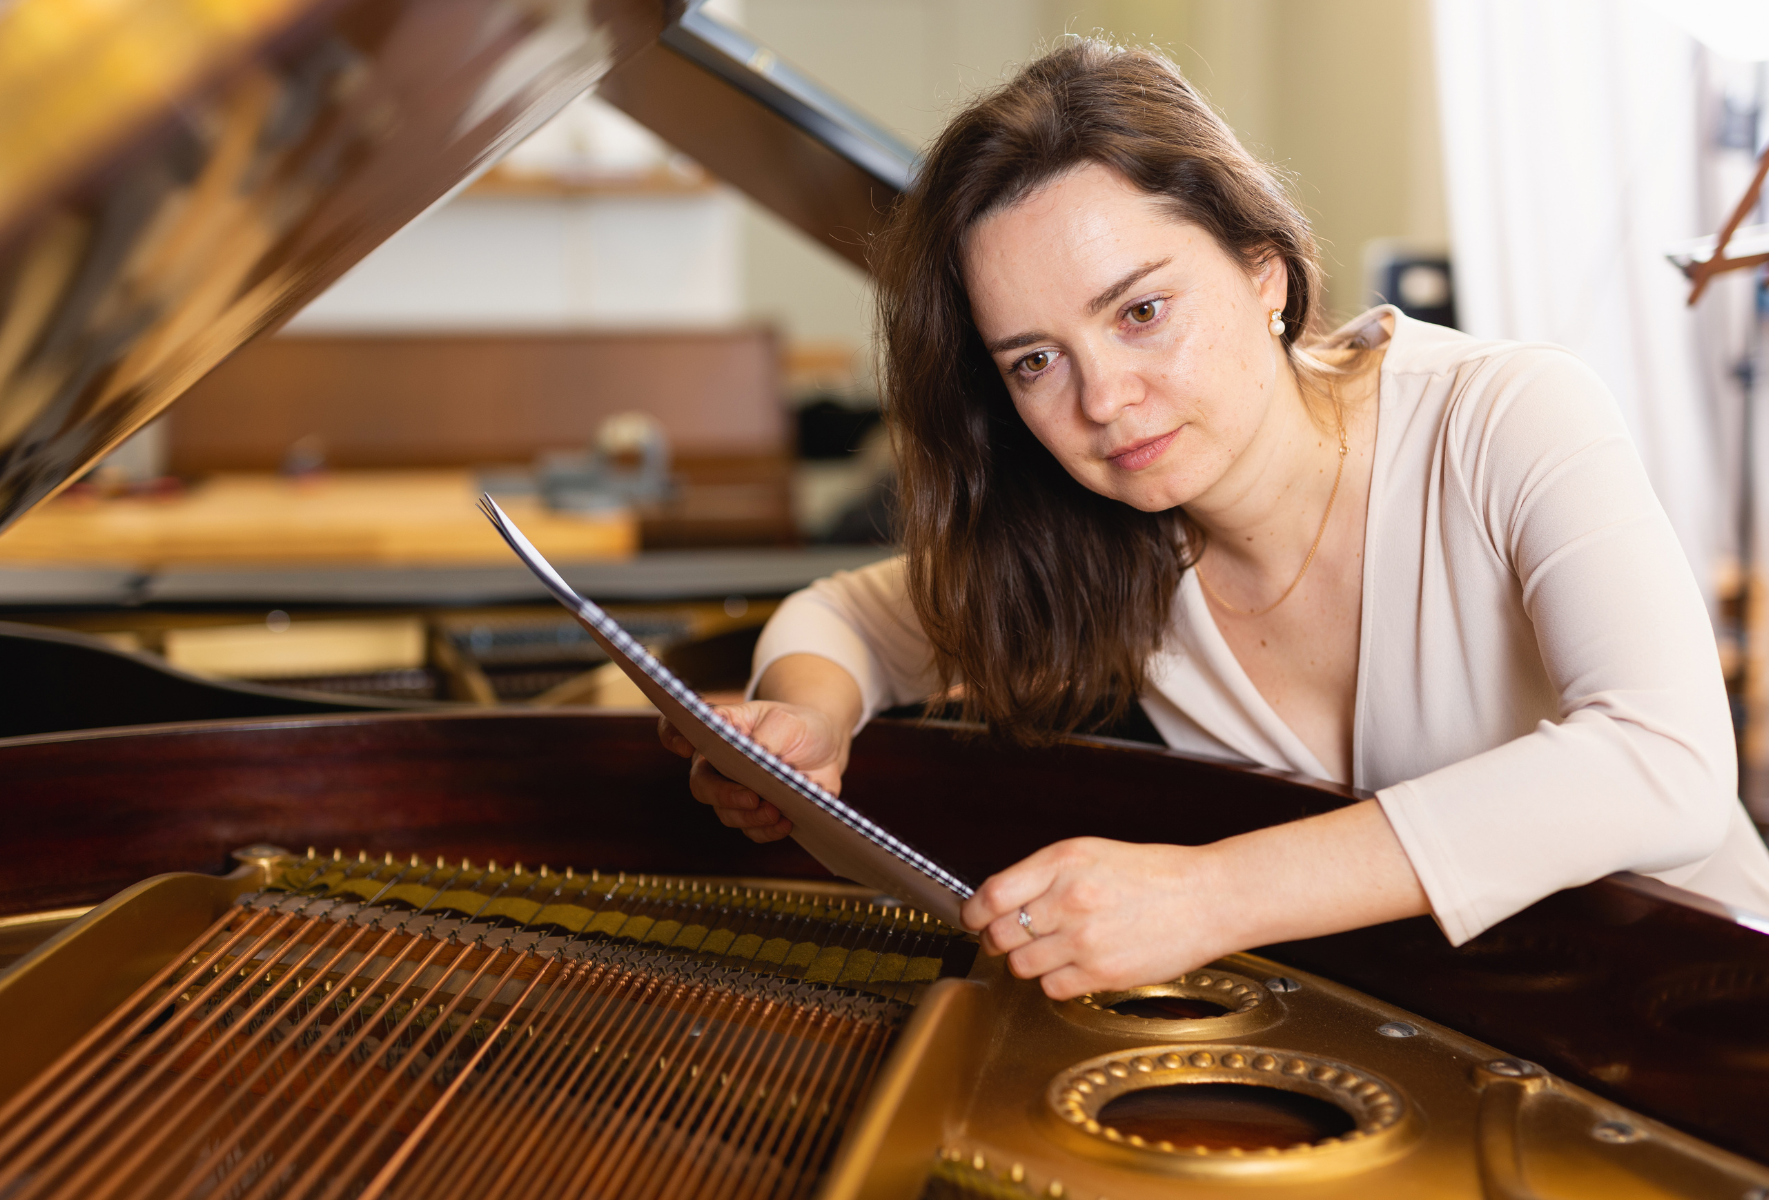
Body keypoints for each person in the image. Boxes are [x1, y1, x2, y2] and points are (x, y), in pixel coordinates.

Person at [659, 38, 1769, 1001]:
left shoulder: (1508, 413)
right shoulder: (1100, 535)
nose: (1103, 400)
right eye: (1037, 362)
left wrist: (1209, 894)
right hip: (1462, 1037)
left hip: (1698, 1030)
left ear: (1264, 274)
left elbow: (1663, 762)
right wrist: (809, 723)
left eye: (1142, 312)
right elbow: (837, 620)